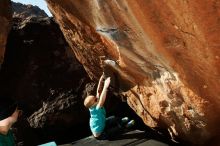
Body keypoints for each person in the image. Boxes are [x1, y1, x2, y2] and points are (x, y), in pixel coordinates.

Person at [84, 59, 135, 140]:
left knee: (113, 118)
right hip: (100, 134)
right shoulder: (97, 108)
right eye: (95, 99)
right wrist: (106, 86)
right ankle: (125, 126)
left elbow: (98, 91)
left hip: (101, 123)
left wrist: (101, 80)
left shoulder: (92, 106)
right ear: (94, 104)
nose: (96, 98)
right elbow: (102, 98)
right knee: (115, 130)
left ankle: (121, 121)